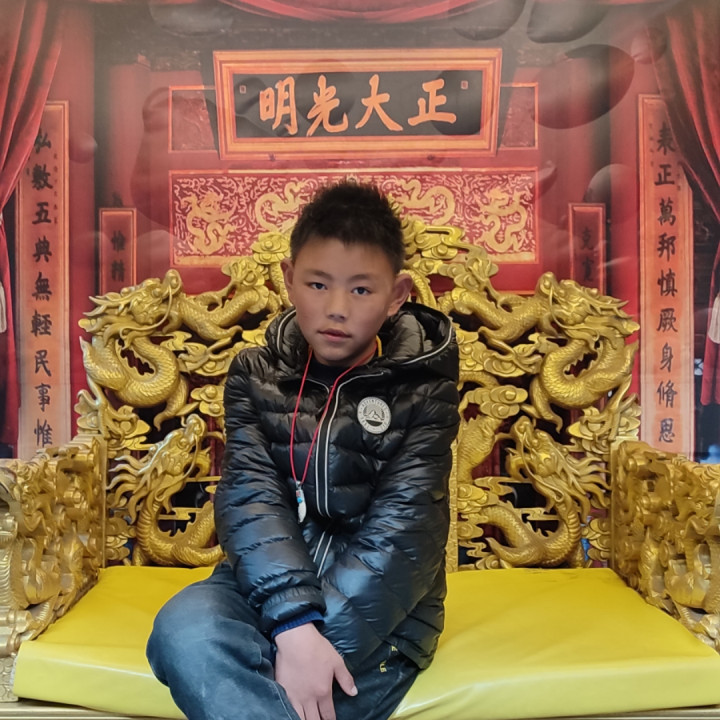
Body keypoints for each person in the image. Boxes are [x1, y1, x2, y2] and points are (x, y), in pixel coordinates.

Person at [146, 180, 461, 720]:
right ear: (288, 279)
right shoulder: (256, 373)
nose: (336, 309)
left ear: (397, 295)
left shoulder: (425, 388)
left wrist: (312, 644)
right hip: (263, 590)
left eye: (361, 290)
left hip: (383, 613)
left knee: (282, 689)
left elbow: (404, 532)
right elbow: (251, 499)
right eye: (318, 284)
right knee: (184, 630)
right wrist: (292, 626)